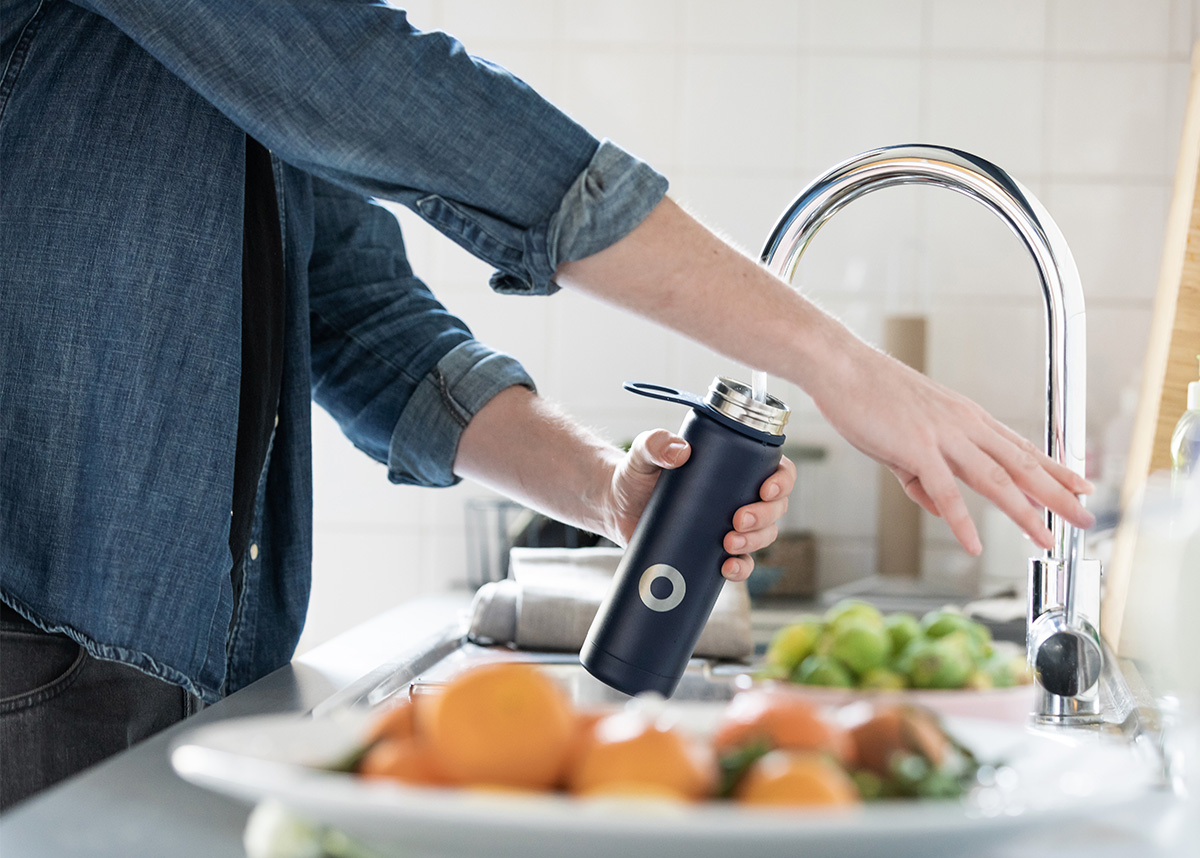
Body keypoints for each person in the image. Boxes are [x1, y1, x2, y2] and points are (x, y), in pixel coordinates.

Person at [0, 1, 1091, 809]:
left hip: (173, 669)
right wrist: (834, 361)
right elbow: (387, 90)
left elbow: (359, 319)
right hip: (27, 652)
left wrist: (608, 490)